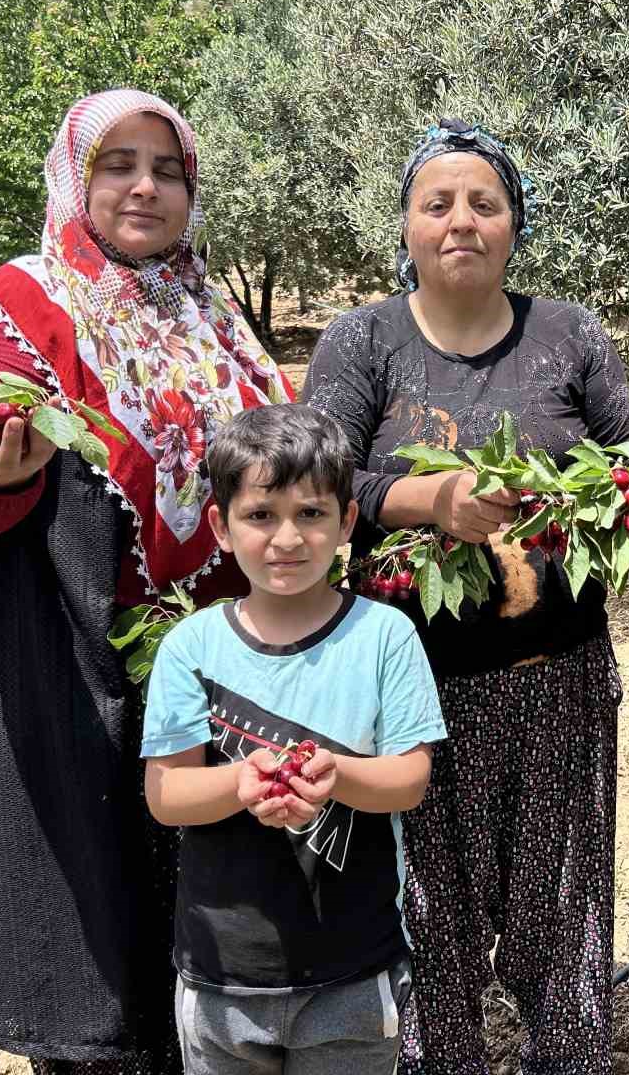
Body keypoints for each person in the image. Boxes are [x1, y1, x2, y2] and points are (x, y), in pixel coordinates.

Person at [0, 89, 294, 1074]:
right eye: (117, 165)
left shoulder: (211, 317)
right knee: (101, 922)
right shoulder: (21, 305)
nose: (144, 187)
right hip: (82, 668)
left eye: (166, 169)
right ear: (73, 178)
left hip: (221, 671)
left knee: (218, 926)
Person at [301, 118, 629, 1075]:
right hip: (413, 694)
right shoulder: (361, 341)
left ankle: (564, 1059)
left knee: (563, 915)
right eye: (437, 203)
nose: (461, 220)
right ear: (405, 226)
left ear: (515, 224)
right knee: (428, 924)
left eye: (484, 203)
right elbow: (317, 484)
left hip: (560, 684)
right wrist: (427, 500)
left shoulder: (569, 335)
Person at [141, 403, 446, 1075]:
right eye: (261, 515)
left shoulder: (384, 637)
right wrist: (238, 782)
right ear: (221, 526)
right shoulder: (190, 647)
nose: (287, 537)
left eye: (311, 514)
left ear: (346, 522)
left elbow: (411, 777)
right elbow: (166, 793)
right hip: (224, 980)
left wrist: (337, 775)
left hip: (352, 972)